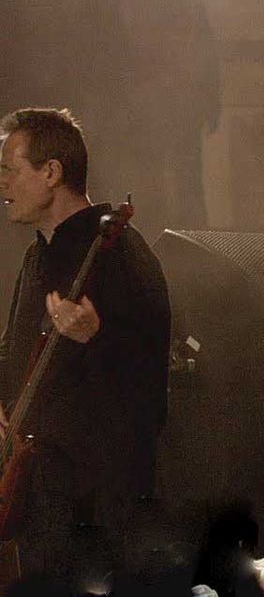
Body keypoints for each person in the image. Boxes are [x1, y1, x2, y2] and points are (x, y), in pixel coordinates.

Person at [0, 108, 170, 593]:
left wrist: (98, 338)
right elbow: (14, 349)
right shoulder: (38, 255)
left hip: (96, 514)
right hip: (38, 500)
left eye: (10, 168)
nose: (2, 182)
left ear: (51, 172)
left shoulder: (121, 254)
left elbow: (150, 391)